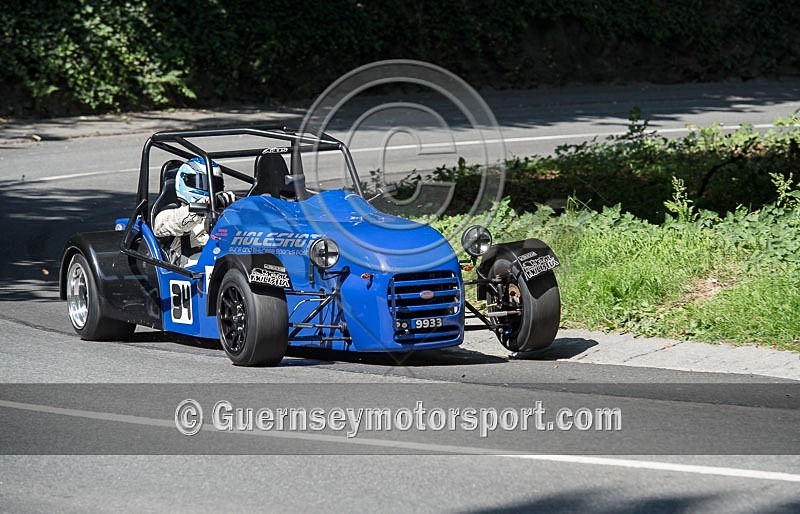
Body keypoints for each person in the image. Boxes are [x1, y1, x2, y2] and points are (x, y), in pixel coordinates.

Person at [153, 157, 236, 266]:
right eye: (202, 182)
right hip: (190, 271)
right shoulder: (167, 214)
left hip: (224, 260)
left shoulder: (223, 212)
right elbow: (177, 221)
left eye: (214, 184)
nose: (209, 189)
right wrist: (206, 205)